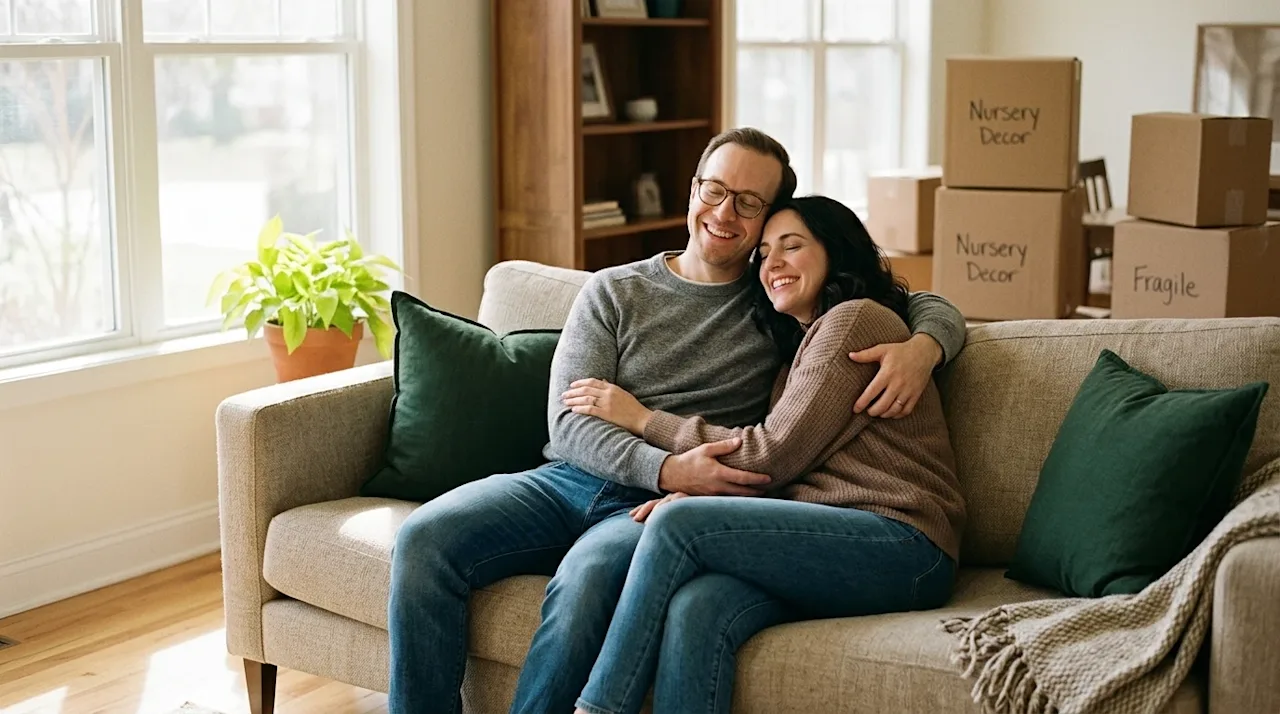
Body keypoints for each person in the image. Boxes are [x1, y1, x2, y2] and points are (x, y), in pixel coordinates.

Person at [386, 128, 967, 714]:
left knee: (588, 580)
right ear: (693, 190)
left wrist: (927, 345)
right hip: (575, 480)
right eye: (715, 190)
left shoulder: (777, 303)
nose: (725, 212)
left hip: (670, 506)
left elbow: (904, 300)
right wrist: (667, 469)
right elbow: (569, 423)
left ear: (766, 216)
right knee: (424, 539)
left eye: (749, 203)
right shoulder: (614, 290)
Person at [564, 195, 967, 714]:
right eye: (765, 253)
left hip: (905, 544)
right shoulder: (799, 352)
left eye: (792, 246)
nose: (773, 263)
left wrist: (643, 419)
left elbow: (768, 456)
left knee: (677, 524)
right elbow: (789, 467)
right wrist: (708, 500)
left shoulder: (854, 322)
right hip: (839, 538)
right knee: (698, 606)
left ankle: (598, 708)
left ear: (836, 251)